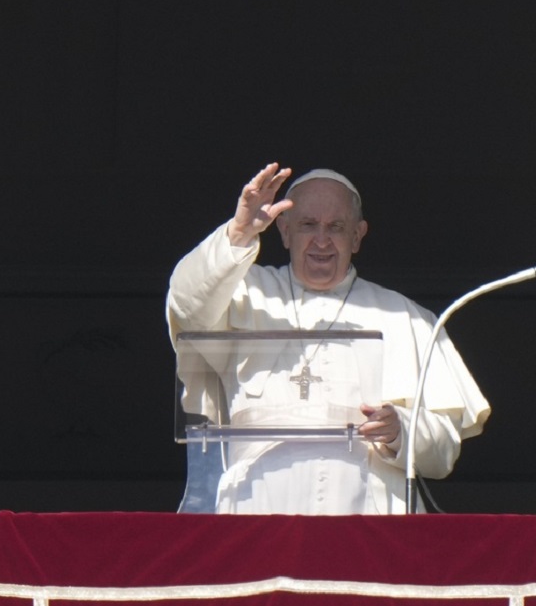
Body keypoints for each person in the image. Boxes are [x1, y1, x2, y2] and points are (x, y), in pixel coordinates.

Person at [167, 163, 490, 514]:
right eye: (308, 225)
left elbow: (444, 451)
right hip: (257, 506)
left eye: (336, 227)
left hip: (368, 518)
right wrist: (239, 232)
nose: (322, 240)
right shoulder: (242, 294)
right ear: (285, 230)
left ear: (357, 235)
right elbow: (185, 306)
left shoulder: (407, 317)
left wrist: (401, 429)